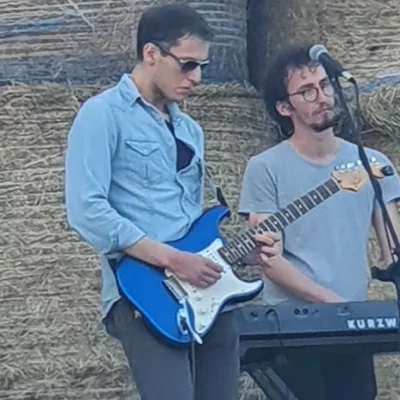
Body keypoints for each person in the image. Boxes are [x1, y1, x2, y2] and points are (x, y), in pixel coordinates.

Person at [65, 4, 280, 400]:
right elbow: (86, 210)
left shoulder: (190, 129)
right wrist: (172, 260)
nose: (196, 78)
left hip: (207, 293)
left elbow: (190, 224)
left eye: (202, 67)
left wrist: (236, 253)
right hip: (145, 291)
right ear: (151, 53)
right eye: (187, 65)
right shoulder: (102, 114)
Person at [238, 43, 400, 400]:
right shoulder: (265, 168)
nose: (322, 97)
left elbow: (393, 246)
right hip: (294, 324)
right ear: (284, 107)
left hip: (353, 324)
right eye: (307, 91)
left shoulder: (372, 162)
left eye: (325, 85)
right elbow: (269, 257)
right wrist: (331, 303)